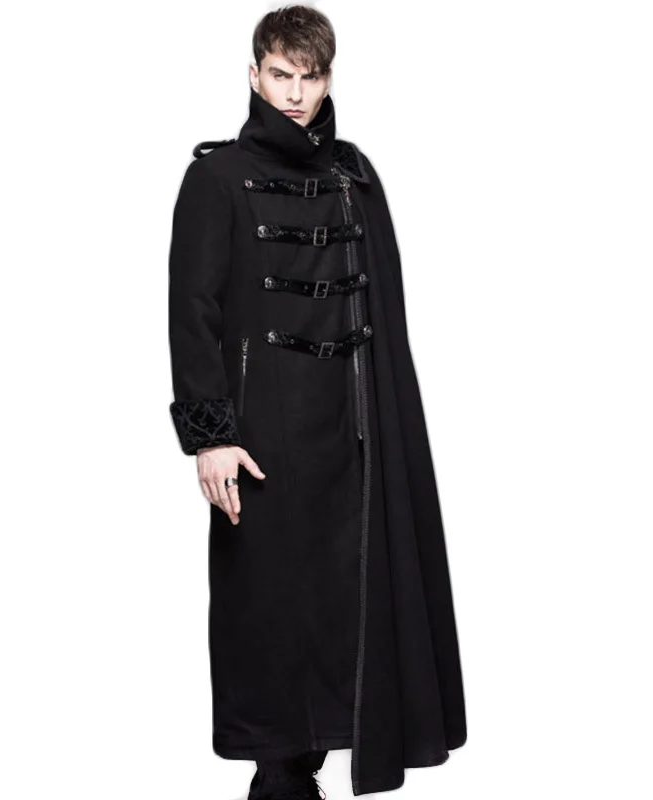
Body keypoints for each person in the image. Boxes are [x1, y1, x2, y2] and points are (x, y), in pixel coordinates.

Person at [167, 6, 467, 798]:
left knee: (350, 610)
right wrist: (209, 435)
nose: (295, 94)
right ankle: (280, 777)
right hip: (262, 436)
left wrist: (388, 435)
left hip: (353, 437)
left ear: (328, 79)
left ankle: (325, 761)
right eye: (281, 75)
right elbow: (192, 312)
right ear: (254, 74)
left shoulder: (353, 176)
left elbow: (385, 316)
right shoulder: (216, 178)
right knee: (267, 614)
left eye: (310, 77)